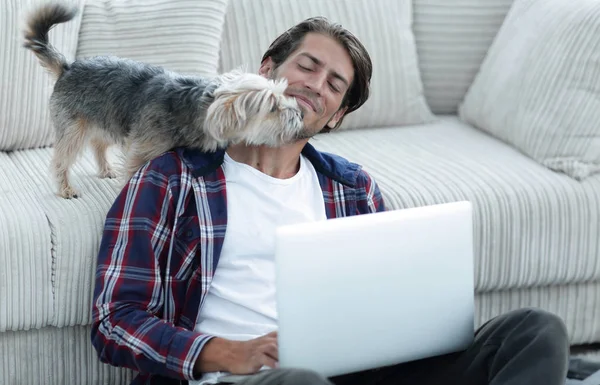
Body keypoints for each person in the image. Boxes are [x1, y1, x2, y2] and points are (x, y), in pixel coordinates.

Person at [91, 16, 570, 385]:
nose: (317, 85)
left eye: (335, 85)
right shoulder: (172, 176)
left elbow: (392, 305)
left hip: (356, 372)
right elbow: (115, 319)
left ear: (336, 116)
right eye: (307, 65)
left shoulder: (352, 188)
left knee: (534, 330)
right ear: (267, 71)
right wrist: (223, 352)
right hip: (243, 377)